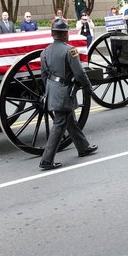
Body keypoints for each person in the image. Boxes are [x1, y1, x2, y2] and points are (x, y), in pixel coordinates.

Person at [39, 19, 98, 170]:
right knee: (59, 124)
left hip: (53, 89)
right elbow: (79, 73)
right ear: (65, 35)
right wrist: (88, 88)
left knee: (69, 119)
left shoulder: (45, 52)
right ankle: (46, 160)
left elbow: (44, 75)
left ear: (53, 34)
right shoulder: (70, 50)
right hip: (64, 91)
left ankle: (83, 147)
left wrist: (49, 92)